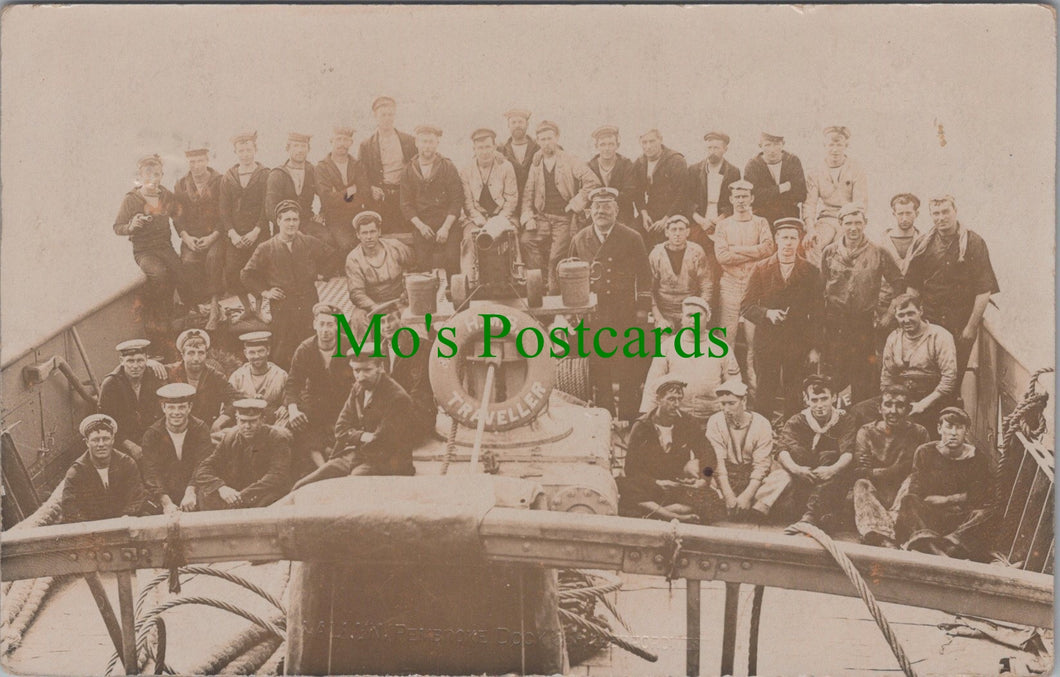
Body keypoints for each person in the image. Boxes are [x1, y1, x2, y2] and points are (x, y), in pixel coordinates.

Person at [568, 187, 652, 421]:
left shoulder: (631, 237)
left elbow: (645, 276)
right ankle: (604, 417)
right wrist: (572, 312)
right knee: (598, 366)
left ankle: (628, 417)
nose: (601, 212)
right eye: (596, 207)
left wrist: (642, 309)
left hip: (624, 312)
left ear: (616, 210)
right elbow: (568, 276)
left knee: (628, 365)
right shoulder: (580, 238)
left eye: (606, 207)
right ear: (589, 211)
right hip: (594, 314)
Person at [291, 346, 416, 490]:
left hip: (386, 462)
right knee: (302, 486)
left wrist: (356, 435)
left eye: (367, 370)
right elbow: (340, 429)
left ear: (381, 367)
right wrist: (363, 436)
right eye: (356, 370)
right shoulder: (358, 387)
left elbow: (382, 440)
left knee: (347, 489)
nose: (361, 376)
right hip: (357, 455)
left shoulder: (397, 398)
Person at [904, 194, 1000, 376]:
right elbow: (913, 288)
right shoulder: (923, 243)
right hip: (929, 322)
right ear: (931, 216)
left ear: (955, 211)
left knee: (953, 377)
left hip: (960, 324)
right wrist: (914, 321)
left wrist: (970, 328)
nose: (941, 217)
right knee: (927, 375)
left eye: (946, 211)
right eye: (936, 213)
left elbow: (983, 291)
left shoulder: (973, 243)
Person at [819, 203, 902, 404]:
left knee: (863, 375)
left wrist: (889, 314)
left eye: (858, 223)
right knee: (835, 373)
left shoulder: (878, 252)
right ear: (841, 224)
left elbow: (899, 284)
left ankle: (859, 421)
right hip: (834, 323)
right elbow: (821, 289)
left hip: (864, 323)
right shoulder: (829, 252)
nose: (853, 228)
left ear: (865, 224)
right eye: (848, 223)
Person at [241, 199, 339, 368]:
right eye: (287, 219)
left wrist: (322, 275)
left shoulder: (308, 242)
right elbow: (246, 274)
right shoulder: (266, 248)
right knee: (283, 347)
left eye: (295, 219)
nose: (292, 224)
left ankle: (312, 381)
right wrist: (265, 292)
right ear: (278, 221)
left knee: (311, 342)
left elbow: (333, 255)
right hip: (283, 304)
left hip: (308, 299)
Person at [741, 218, 822, 419]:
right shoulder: (761, 268)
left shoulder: (810, 271)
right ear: (776, 239)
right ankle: (763, 433)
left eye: (793, 238)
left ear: (799, 240)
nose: (788, 243)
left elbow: (819, 313)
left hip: (797, 341)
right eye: (784, 237)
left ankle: (792, 434)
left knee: (794, 390)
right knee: (765, 390)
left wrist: (815, 347)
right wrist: (767, 313)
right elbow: (746, 306)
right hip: (767, 340)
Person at [756, 376, 857, 533]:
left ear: (834, 398)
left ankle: (812, 516)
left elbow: (848, 452)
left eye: (824, 399)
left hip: (831, 479)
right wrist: (797, 469)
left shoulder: (844, 420)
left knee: (829, 456)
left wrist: (832, 469)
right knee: (795, 454)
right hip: (804, 479)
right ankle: (812, 515)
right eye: (814, 400)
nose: (819, 405)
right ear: (806, 400)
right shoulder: (797, 421)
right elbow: (782, 450)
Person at [894, 407, 995, 560]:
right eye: (949, 427)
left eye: (959, 428)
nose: (954, 433)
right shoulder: (925, 452)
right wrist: (961, 497)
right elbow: (916, 491)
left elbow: (979, 496)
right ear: (939, 429)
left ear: (966, 431)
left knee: (986, 514)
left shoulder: (976, 458)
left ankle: (947, 545)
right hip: (930, 516)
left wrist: (947, 499)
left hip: (959, 518)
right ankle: (938, 551)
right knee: (908, 501)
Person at [618, 380, 720, 523]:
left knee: (712, 498)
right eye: (671, 399)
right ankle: (674, 516)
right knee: (625, 486)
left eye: (679, 399)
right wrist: (657, 482)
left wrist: (704, 479)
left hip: (676, 484)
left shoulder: (687, 422)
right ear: (658, 399)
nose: (677, 404)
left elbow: (708, 453)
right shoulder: (642, 426)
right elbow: (631, 468)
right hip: (651, 485)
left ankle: (654, 514)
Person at [520, 120, 601, 292]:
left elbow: (592, 182)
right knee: (526, 241)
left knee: (555, 257)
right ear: (538, 141)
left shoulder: (569, 160)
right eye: (542, 139)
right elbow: (528, 193)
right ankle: (538, 286)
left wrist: (575, 204)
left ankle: (554, 294)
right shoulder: (536, 164)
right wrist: (528, 217)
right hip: (542, 218)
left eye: (549, 138)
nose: (546, 143)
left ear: (557, 138)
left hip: (564, 219)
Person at [113, 154, 193, 325]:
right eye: (148, 175)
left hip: (165, 247)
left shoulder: (166, 195)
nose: (152, 179)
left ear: (161, 176)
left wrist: (186, 236)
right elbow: (117, 227)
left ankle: (180, 310)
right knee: (159, 275)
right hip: (144, 251)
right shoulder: (131, 199)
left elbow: (177, 217)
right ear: (139, 177)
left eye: (156, 174)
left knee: (182, 274)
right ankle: (156, 313)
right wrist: (131, 227)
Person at [641, 297, 741, 425]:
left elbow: (735, 386)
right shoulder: (667, 346)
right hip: (677, 419)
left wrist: (733, 420)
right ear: (682, 318)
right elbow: (652, 386)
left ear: (708, 317)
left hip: (713, 419)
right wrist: (646, 420)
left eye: (699, 315)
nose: (694, 320)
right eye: (689, 315)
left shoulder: (721, 347)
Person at [851, 386, 930, 547]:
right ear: (880, 408)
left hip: (903, 493)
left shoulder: (919, 433)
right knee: (861, 484)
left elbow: (922, 470)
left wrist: (875, 470)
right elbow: (861, 470)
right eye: (888, 404)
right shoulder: (866, 432)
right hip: (877, 491)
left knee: (914, 479)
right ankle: (880, 534)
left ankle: (893, 527)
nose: (893, 410)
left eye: (900, 405)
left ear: (908, 409)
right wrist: (901, 467)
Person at [285, 304, 354, 476]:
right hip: (316, 402)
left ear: (338, 326)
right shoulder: (305, 349)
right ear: (314, 324)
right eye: (321, 324)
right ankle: (322, 466)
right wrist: (293, 410)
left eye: (330, 325)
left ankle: (335, 457)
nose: (325, 330)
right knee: (299, 423)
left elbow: (360, 378)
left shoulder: (349, 345)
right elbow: (293, 383)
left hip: (344, 401)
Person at [713, 180, 774, 373]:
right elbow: (722, 256)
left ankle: (755, 396)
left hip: (754, 287)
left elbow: (768, 249)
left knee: (753, 343)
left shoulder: (761, 222)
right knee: (726, 342)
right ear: (731, 199)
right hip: (730, 285)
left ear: (752, 198)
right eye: (737, 197)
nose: (741, 201)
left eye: (745, 196)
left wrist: (736, 249)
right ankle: (725, 391)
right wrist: (753, 252)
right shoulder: (723, 226)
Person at [194, 399, 292, 510]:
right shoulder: (230, 438)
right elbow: (204, 468)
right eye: (243, 421)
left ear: (262, 420)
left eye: (253, 421)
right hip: (237, 493)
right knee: (205, 493)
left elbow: (277, 476)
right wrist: (221, 488)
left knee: (273, 499)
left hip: (262, 493)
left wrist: (242, 495)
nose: (247, 426)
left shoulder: (277, 439)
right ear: (237, 420)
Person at [879, 293, 958, 430]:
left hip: (932, 399)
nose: (906, 320)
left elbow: (949, 379)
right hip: (901, 398)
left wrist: (923, 404)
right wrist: (890, 404)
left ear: (920, 311)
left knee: (915, 425)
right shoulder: (894, 338)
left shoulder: (940, 336)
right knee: (860, 412)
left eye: (911, 313)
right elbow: (887, 376)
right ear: (896, 316)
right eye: (901, 315)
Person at [400, 125, 464, 276]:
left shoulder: (447, 166)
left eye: (431, 142)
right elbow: (405, 204)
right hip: (423, 224)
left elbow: (457, 200)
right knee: (422, 263)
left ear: (437, 144)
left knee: (452, 259)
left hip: (448, 222)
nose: (427, 146)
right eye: (423, 142)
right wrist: (421, 226)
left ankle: (453, 292)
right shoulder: (408, 170)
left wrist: (446, 228)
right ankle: (427, 294)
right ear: (416, 143)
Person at [140, 383, 215, 514]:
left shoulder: (201, 429)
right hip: (164, 490)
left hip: (194, 486)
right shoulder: (152, 434)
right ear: (163, 407)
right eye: (171, 407)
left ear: (190, 407)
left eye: (181, 407)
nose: (176, 413)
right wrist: (166, 502)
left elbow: (203, 464)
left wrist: (191, 491)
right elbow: (151, 472)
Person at [704, 379, 775, 518]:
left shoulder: (762, 423)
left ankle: (753, 506)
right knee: (702, 475)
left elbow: (761, 465)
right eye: (722, 404)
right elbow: (718, 461)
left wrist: (747, 495)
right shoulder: (715, 421)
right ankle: (728, 504)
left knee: (781, 478)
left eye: (731, 403)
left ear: (744, 401)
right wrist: (728, 494)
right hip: (726, 475)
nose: (726, 409)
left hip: (752, 475)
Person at [219, 131, 270, 322]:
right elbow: (223, 209)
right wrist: (232, 233)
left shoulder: (265, 174)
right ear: (235, 152)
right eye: (241, 150)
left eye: (249, 150)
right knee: (233, 271)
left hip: (259, 233)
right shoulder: (228, 177)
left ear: (255, 150)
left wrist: (256, 231)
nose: (245, 154)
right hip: (235, 236)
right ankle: (247, 308)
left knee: (257, 271)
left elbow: (268, 206)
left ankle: (259, 308)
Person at [688, 130, 741, 309]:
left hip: (722, 222)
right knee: (695, 265)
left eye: (716, 147)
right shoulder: (694, 170)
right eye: (709, 147)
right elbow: (686, 200)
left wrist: (719, 219)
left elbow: (733, 201)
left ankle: (716, 314)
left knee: (717, 268)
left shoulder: (733, 171)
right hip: (699, 222)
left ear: (725, 149)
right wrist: (699, 219)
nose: (712, 151)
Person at [174, 146, 225, 329]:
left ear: (207, 160)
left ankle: (213, 307)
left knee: (213, 258)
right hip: (192, 237)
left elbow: (225, 214)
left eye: (200, 161)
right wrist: (186, 238)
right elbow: (177, 216)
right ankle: (198, 306)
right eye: (192, 162)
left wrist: (212, 237)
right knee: (187, 262)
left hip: (216, 235)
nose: (196, 166)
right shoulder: (180, 185)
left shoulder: (220, 181)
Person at [60, 414, 146, 523]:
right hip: (91, 529)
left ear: (113, 440)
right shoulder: (77, 471)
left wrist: (127, 516)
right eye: (95, 440)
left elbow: (137, 496)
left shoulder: (127, 464)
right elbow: (70, 507)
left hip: (125, 522)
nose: (101, 444)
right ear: (87, 442)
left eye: (105, 439)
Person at [803, 126, 868, 267]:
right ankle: (820, 282)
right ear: (824, 145)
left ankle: (841, 284)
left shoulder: (856, 168)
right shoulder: (815, 171)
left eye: (839, 144)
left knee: (844, 249)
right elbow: (810, 204)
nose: (835, 149)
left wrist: (847, 223)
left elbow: (860, 203)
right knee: (811, 244)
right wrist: (811, 229)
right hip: (826, 219)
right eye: (831, 144)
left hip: (849, 219)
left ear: (846, 145)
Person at [345, 210, 416, 332]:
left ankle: (413, 349)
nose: (369, 237)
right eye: (364, 233)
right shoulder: (353, 259)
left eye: (372, 231)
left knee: (413, 317)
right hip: (371, 304)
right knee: (358, 319)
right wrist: (375, 307)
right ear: (358, 235)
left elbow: (415, 267)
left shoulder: (395, 247)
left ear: (379, 231)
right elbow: (356, 293)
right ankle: (365, 351)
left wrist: (407, 292)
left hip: (398, 299)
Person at [460, 128, 519, 272]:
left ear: (494, 147)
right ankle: (469, 278)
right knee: (469, 239)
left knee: (512, 235)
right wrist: (478, 218)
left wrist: (499, 219)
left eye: (488, 147)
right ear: (474, 149)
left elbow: (511, 198)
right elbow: (467, 202)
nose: (484, 151)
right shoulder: (466, 170)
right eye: (480, 148)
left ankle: (517, 273)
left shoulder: (506, 167)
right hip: (476, 218)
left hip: (503, 215)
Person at [359, 96, 417, 237]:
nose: (387, 118)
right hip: (382, 199)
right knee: (383, 235)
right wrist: (371, 188)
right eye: (383, 114)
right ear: (375, 117)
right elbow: (361, 174)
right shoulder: (366, 145)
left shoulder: (408, 140)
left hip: (405, 196)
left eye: (390, 114)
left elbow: (417, 168)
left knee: (408, 234)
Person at [98, 339, 164, 461]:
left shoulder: (154, 377)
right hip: (122, 441)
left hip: (152, 436)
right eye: (130, 361)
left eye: (140, 360)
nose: (135, 366)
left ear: (146, 360)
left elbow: (162, 412)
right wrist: (130, 446)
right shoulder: (111, 384)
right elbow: (106, 422)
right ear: (121, 361)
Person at [163, 328, 240, 432]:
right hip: (175, 430)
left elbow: (235, 399)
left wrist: (220, 421)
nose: (196, 358)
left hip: (206, 430)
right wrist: (152, 363)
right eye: (191, 353)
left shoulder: (215, 376)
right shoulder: (169, 372)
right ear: (182, 355)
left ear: (206, 355)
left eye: (201, 353)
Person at [876, 193, 925, 340]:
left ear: (916, 213)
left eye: (908, 213)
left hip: (915, 308)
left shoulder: (925, 242)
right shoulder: (881, 243)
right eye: (900, 213)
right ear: (894, 214)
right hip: (884, 306)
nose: (904, 218)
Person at [648, 216, 710, 329]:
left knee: (690, 343)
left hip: (690, 308)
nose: (677, 233)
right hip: (665, 310)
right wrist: (659, 318)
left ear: (688, 232)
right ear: (666, 232)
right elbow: (649, 289)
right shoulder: (656, 253)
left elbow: (706, 285)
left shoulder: (696, 252)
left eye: (681, 229)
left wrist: (697, 312)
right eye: (673, 229)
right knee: (664, 342)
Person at [315, 125, 368, 256]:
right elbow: (327, 198)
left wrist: (338, 195)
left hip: (356, 216)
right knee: (347, 246)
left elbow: (364, 193)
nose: (342, 144)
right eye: (338, 139)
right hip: (335, 219)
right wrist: (350, 191)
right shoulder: (322, 167)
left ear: (351, 143)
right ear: (331, 140)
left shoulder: (357, 164)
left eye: (346, 140)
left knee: (368, 243)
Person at [632, 129, 688, 248]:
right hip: (650, 211)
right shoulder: (640, 162)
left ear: (660, 140)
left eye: (652, 141)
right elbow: (637, 192)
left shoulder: (676, 160)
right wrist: (644, 214)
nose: (648, 146)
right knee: (633, 235)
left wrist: (666, 219)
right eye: (644, 142)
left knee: (666, 239)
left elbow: (682, 194)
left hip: (674, 211)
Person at [266, 132, 325, 242]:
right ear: (288, 148)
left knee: (328, 241)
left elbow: (325, 194)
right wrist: (288, 227)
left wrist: (322, 213)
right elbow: (270, 209)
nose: (300, 150)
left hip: (307, 223)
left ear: (308, 149)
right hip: (283, 226)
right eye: (296, 146)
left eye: (303, 146)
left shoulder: (312, 170)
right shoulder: (277, 174)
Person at [742, 132, 807, 228]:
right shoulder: (753, 165)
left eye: (777, 144)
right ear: (760, 146)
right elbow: (754, 198)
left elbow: (800, 194)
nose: (772, 150)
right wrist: (783, 188)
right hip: (762, 216)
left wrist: (768, 193)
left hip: (789, 214)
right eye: (767, 145)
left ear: (783, 144)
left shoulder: (792, 161)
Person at [227, 331, 289, 425]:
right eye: (252, 352)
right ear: (245, 353)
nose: (257, 356)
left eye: (261, 351)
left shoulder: (280, 375)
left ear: (268, 350)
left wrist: (285, 406)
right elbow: (228, 407)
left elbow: (290, 399)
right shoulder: (237, 377)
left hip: (273, 426)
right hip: (244, 427)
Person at [587, 125, 637, 226]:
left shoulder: (626, 164)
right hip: (598, 214)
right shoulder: (590, 166)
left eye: (611, 144)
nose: (607, 148)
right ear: (596, 146)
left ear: (617, 145)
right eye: (603, 144)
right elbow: (587, 193)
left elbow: (630, 192)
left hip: (622, 214)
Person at [498, 108, 539, 214]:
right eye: (513, 122)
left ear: (527, 124)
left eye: (520, 122)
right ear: (508, 125)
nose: (517, 125)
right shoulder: (501, 149)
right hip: (510, 206)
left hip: (534, 205)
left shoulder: (538, 147)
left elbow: (557, 151)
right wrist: (494, 154)